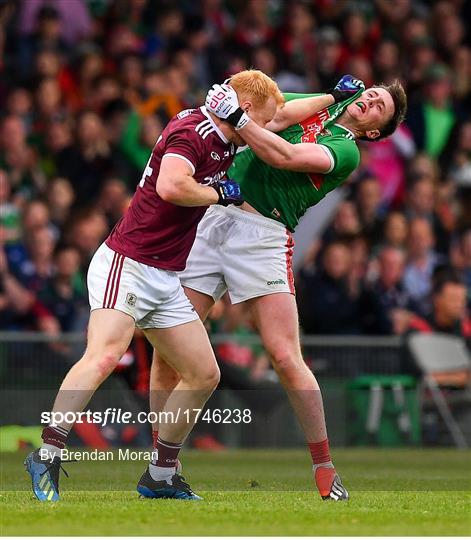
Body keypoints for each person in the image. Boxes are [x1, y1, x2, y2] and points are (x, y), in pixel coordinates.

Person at [24, 69, 284, 502]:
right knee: (104, 356)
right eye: (262, 119)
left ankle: (160, 475)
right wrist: (218, 193)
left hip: (164, 276)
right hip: (127, 263)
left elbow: (282, 118)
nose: (261, 130)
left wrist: (332, 98)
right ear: (247, 108)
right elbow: (170, 185)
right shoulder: (194, 130)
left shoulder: (226, 137)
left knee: (204, 373)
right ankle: (47, 452)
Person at [148, 75, 407, 500]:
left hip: (264, 235)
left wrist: (237, 118)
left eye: (379, 107)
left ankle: (324, 466)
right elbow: (279, 112)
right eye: (372, 94)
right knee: (169, 351)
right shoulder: (322, 105)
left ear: (374, 130)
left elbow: (284, 154)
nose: (371, 101)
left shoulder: (346, 152)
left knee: (286, 357)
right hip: (215, 214)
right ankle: (162, 469)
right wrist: (312, 101)